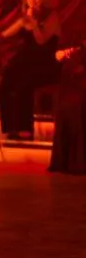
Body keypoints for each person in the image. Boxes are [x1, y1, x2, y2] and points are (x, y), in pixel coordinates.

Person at [0, 0, 61, 140]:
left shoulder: (52, 16)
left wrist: (33, 24)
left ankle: (25, 129)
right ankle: (10, 128)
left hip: (45, 63)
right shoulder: (24, 19)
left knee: (23, 84)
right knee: (6, 82)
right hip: (26, 62)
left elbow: (41, 41)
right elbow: (4, 35)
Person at [49, 41, 86, 175]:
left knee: (75, 103)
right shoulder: (76, 50)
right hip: (73, 88)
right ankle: (69, 160)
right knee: (69, 104)